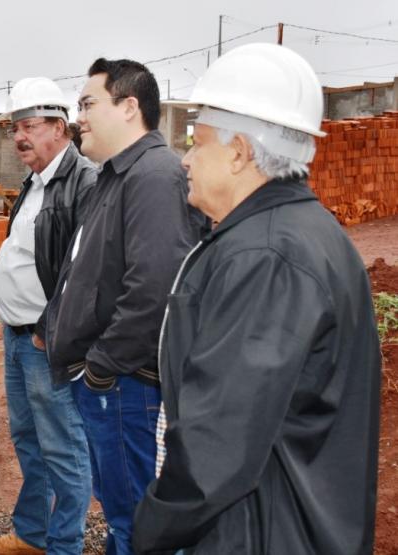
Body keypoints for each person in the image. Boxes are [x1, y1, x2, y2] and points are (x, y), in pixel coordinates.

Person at [132, 43, 381, 555]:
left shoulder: (265, 257)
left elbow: (219, 441)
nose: (186, 159)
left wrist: (153, 529)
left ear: (239, 151)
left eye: (197, 143)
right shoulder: (298, 234)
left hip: (262, 534)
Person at [39, 58, 205, 555]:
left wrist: (101, 367)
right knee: (122, 515)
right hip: (115, 385)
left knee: (138, 522)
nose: (79, 117)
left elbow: (155, 289)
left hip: (129, 386)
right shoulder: (115, 176)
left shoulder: (154, 176)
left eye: (88, 104)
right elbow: (86, 269)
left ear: (129, 107)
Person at [0, 77, 97, 555]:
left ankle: (64, 545)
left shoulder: (83, 182)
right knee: (29, 440)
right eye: (15, 128)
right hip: (18, 337)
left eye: (29, 126)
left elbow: (87, 271)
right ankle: (33, 534)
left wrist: (50, 330)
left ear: (59, 127)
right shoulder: (36, 181)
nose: (19, 137)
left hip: (46, 342)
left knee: (63, 448)